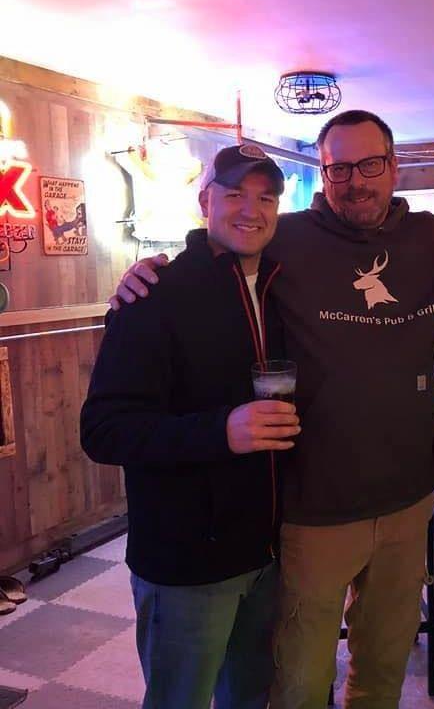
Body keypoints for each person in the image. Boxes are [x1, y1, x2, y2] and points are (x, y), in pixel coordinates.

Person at [109, 111, 434, 709]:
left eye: (371, 164)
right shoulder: (284, 238)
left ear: (394, 166)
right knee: (299, 683)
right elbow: (224, 242)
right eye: (340, 168)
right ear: (324, 172)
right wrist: (150, 271)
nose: (356, 181)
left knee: (381, 675)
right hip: (312, 511)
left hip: (407, 504)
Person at [81, 145, 301, 709]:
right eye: (235, 194)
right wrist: (220, 431)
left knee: (250, 697)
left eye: (266, 198)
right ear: (205, 201)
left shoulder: (286, 289)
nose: (251, 209)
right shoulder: (152, 295)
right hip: (186, 561)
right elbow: (103, 429)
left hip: (270, 552)